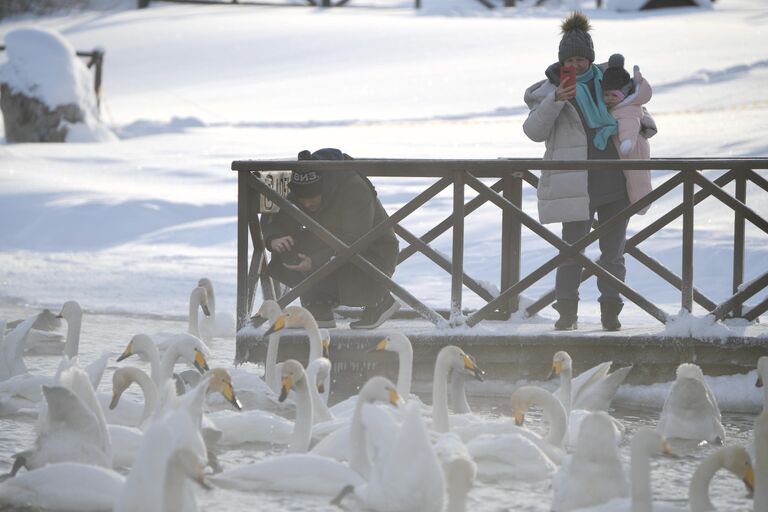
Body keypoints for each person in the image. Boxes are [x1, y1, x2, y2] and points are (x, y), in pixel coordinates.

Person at [522, 12, 656, 332]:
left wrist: (628, 118)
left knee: (613, 254)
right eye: (571, 60)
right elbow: (533, 131)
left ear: (591, 58)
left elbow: (645, 121)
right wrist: (556, 100)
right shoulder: (548, 91)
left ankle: (611, 313)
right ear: (562, 62)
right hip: (576, 184)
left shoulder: (612, 81)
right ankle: (566, 314)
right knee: (571, 252)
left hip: (615, 182)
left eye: (583, 59)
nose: (578, 65)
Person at [262, 148, 400, 330]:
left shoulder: (354, 187)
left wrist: (315, 261)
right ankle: (318, 305)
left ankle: (381, 300)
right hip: (328, 242)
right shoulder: (297, 186)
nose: (307, 204)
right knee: (288, 249)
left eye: (312, 198)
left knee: (344, 256)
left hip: (373, 252)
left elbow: (356, 241)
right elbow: (279, 218)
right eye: (302, 200)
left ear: (324, 188)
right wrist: (274, 238)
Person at [601, 53, 653, 214]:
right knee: (634, 176)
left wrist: (627, 142)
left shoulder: (627, 109)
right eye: (606, 94)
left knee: (636, 177)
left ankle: (642, 204)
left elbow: (630, 124)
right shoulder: (618, 107)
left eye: (614, 95)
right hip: (628, 146)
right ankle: (641, 203)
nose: (609, 98)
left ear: (625, 93)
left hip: (632, 147)